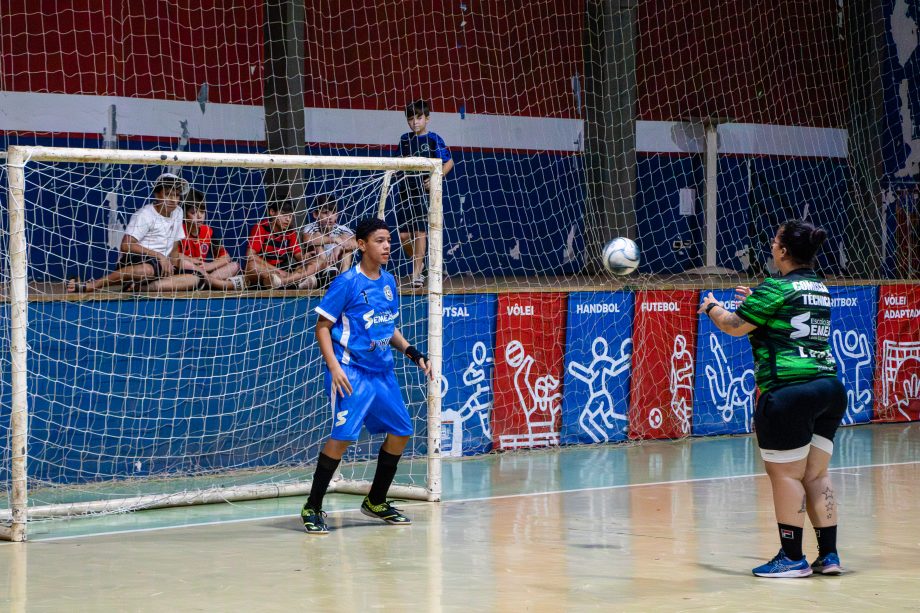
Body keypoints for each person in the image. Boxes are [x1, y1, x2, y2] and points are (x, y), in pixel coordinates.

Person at [698, 219, 845, 578]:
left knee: (786, 476)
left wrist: (713, 306)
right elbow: (784, 318)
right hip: (828, 388)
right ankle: (829, 556)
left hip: (790, 393)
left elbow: (733, 326)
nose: (771, 246)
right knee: (816, 474)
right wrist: (756, 303)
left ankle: (791, 557)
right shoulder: (819, 287)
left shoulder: (774, 288)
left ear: (782, 251)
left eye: (775, 242)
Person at [300, 216, 433, 534]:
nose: (387, 246)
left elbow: (387, 328)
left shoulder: (389, 283)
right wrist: (334, 368)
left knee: (401, 431)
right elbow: (322, 327)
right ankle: (312, 506)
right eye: (379, 241)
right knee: (343, 438)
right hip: (351, 372)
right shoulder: (347, 282)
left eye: (389, 240)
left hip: (382, 373)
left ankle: (375, 500)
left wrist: (414, 352)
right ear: (361, 245)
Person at [68, 172, 200, 293]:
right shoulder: (145, 215)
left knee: (194, 279)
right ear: (157, 195)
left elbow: (175, 248)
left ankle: (139, 288)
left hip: (161, 266)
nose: (173, 200)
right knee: (149, 270)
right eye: (168, 194)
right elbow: (126, 246)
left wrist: (173, 266)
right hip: (135, 262)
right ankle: (95, 284)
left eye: (176, 195)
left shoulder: (178, 212)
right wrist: (159, 256)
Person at [397, 99, 453, 288]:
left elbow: (449, 162)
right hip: (404, 191)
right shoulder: (405, 140)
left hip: (423, 192)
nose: (415, 122)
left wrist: (436, 177)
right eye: (411, 118)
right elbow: (397, 163)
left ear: (427, 119)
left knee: (420, 231)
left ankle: (416, 273)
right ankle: (420, 264)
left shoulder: (433, 139)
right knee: (404, 236)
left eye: (419, 118)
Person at [244, 200, 328, 290]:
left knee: (319, 262)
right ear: (272, 212)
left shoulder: (290, 232)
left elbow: (298, 255)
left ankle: (283, 282)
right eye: (284, 214)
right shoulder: (261, 228)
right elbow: (250, 255)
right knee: (251, 266)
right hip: (267, 270)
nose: (288, 219)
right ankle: (296, 282)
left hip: (285, 271)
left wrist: (305, 257)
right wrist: (279, 271)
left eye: (291, 216)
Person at [177, 188, 244, 291]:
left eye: (202, 212)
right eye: (194, 212)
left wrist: (209, 265)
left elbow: (226, 257)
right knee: (182, 262)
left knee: (234, 265)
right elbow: (173, 256)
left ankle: (206, 283)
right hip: (186, 272)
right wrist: (193, 261)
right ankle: (220, 285)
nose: (199, 216)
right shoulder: (179, 230)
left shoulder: (208, 231)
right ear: (184, 214)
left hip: (204, 271)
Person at [301, 194, 356, 274]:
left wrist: (339, 247)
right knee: (317, 238)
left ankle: (344, 277)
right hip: (316, 270)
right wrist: (334, 240)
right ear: (315, 214)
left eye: (333, 212)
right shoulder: (311, 228)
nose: (330, 217)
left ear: (337, 215)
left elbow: (357, 241)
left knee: (347, 247)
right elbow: (307, 239)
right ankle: (327, 269)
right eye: (325, 212)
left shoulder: (341, 229)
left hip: (338, 268)